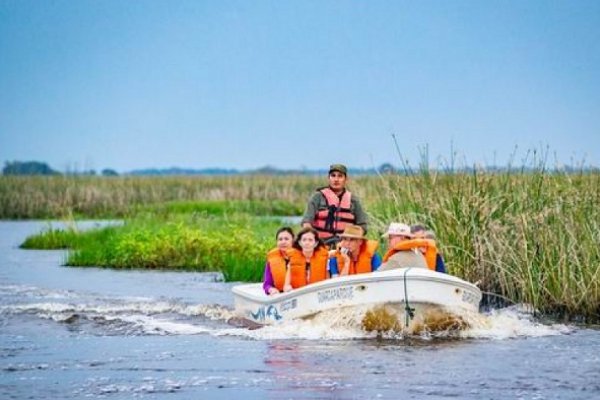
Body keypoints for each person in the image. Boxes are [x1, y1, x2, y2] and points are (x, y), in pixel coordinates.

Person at [301, 164, 368, 246]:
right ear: (328, 178)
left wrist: (351, 240)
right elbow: (306, 222)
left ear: (346, 179)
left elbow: (363, 226)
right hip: (321, 245)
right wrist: (312, 241)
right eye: (333, 176)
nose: (336, 179)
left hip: (345, 246)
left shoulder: (353, 200)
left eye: (340, 176)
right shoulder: (317, 197)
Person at [263, 227, 295, 295]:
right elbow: (267, 284)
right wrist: (271, 290)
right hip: (280, 295)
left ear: (293, 241)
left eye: (286, 239)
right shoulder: (272, 259)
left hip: (297, 293)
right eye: (280, 239)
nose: (283, 242)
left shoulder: (301, 256)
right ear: (277, 242)